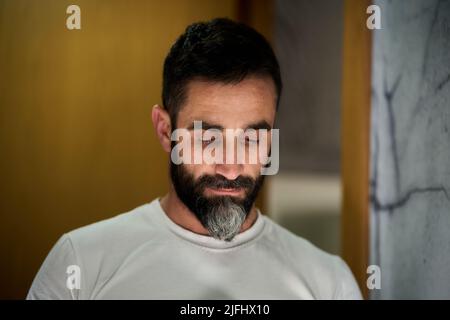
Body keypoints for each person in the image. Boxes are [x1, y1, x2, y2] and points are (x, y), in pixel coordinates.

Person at [27, 18, 362, 300]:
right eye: (207, 138)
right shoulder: (80, 265)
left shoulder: (329, 284)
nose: (230, 167)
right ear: (164, 130)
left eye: (251, 138)